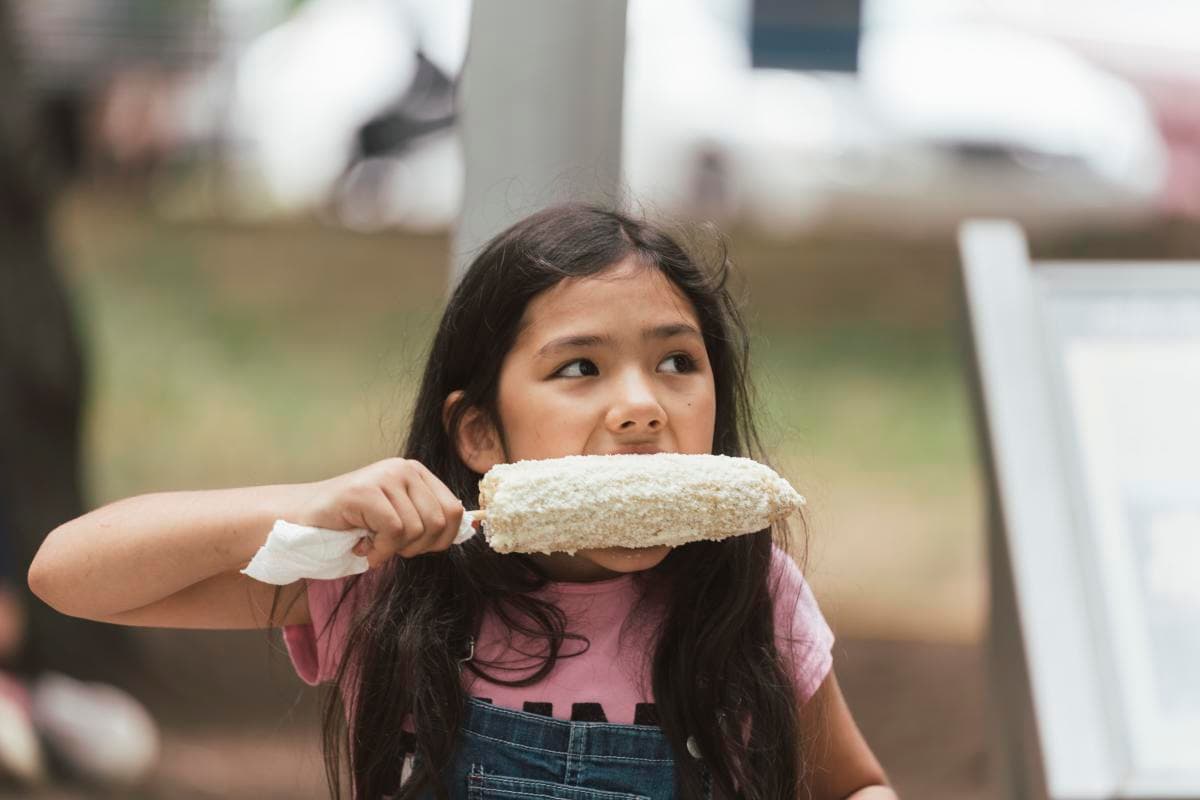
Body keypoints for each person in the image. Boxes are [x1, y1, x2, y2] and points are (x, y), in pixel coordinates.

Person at [27, 205, 897, 799]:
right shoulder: (389, 581)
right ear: (479, 435)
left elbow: (854, 783)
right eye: (579, 368)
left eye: (677, 361)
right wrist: (309, 504)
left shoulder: (751, 594)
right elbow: (69, 575)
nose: (642, 404)